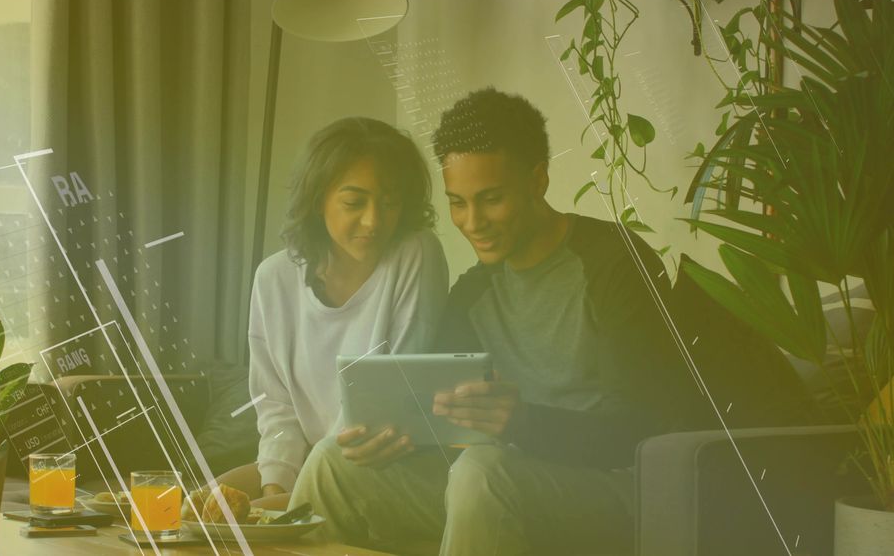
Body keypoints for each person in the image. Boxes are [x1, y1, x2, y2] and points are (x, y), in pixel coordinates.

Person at [289, 88, 697, 554]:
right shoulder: (473, 294)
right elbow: (443, 423)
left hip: (617, 492)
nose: (472, 221)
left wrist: (522, 422)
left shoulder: (615, 265)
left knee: (481, 470)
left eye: (491, 199)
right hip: (499, 484)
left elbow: (651, 430)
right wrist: (393, 440)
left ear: (537, 180)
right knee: (331, 463)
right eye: (458, 202)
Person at [238, 117, 449, 509]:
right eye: (354, 202)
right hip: (316, 463)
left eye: (389, 202)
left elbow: (385, 394)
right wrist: (275, 488)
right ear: (319, 200)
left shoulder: (416, 254)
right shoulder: (273, 278)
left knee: (228, 526)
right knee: (197, 505)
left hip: (382, 461)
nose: (373, 220)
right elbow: (276, 409)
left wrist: (284, 505)